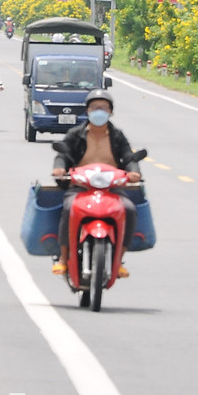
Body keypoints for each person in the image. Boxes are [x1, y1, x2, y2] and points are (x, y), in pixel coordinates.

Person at [50, 90, 144, 278]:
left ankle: (119, 262)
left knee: (129, 209)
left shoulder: (117, 135)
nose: (98, 111)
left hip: (112, 187)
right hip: (81, 185)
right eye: (94, 107)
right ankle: (63, 258)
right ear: (87, 110)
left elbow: (128, 156)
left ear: (110, 111)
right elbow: (63, 155)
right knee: (69, 208)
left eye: (103, 108)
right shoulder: (75, 134)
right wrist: (59, 169)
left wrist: (134, 172)